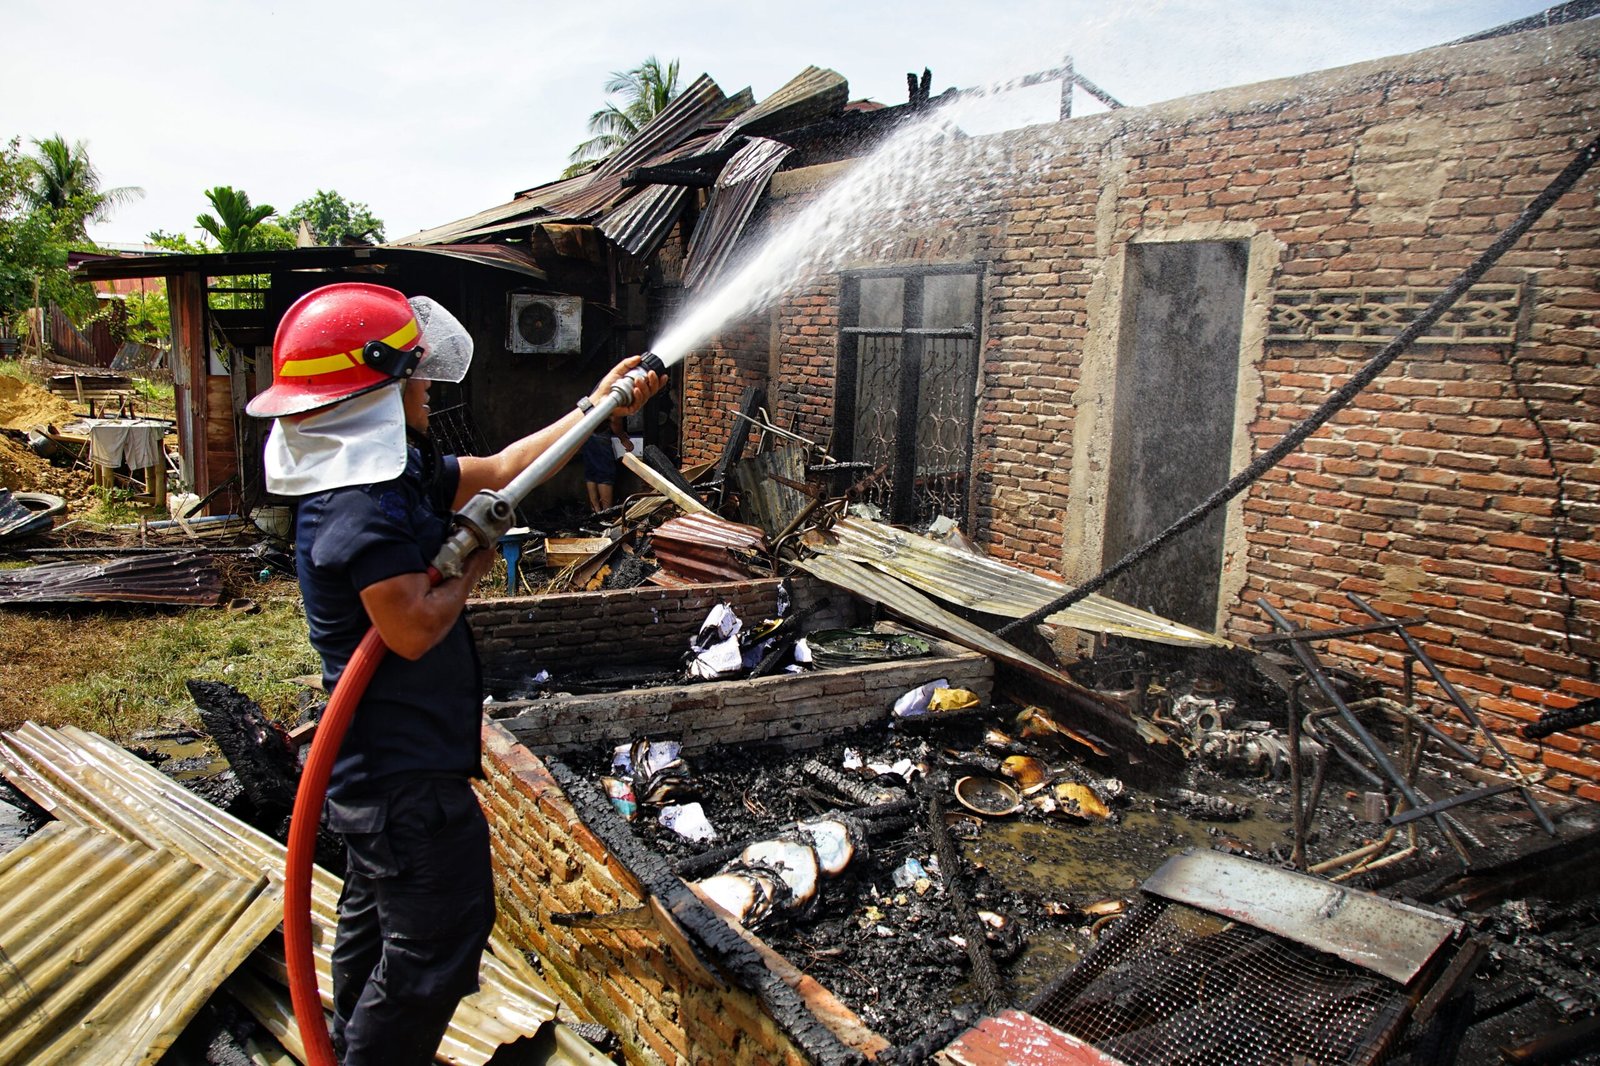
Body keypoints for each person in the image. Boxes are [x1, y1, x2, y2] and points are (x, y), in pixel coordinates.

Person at [245, 282, 661, 1065]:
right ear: (374, 388)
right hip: (403, 787)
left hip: (382, 772)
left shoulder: (382, 474)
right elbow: (409, 627)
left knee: (380, 934)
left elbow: (505, 465)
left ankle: (344, 1050)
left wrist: (595, 406)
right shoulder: (355, 507)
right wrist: (470, 552)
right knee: (436, 945)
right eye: (414, 375)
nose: (427, 386)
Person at [580, 410, 632, 513]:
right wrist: (623, 439)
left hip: (585, 432)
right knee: (605, 474)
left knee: (592, 472)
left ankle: (595, 510)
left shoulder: (597, 394)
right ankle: (606, 512)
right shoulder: (615, 395)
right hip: (600, 433)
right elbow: (614, 421)